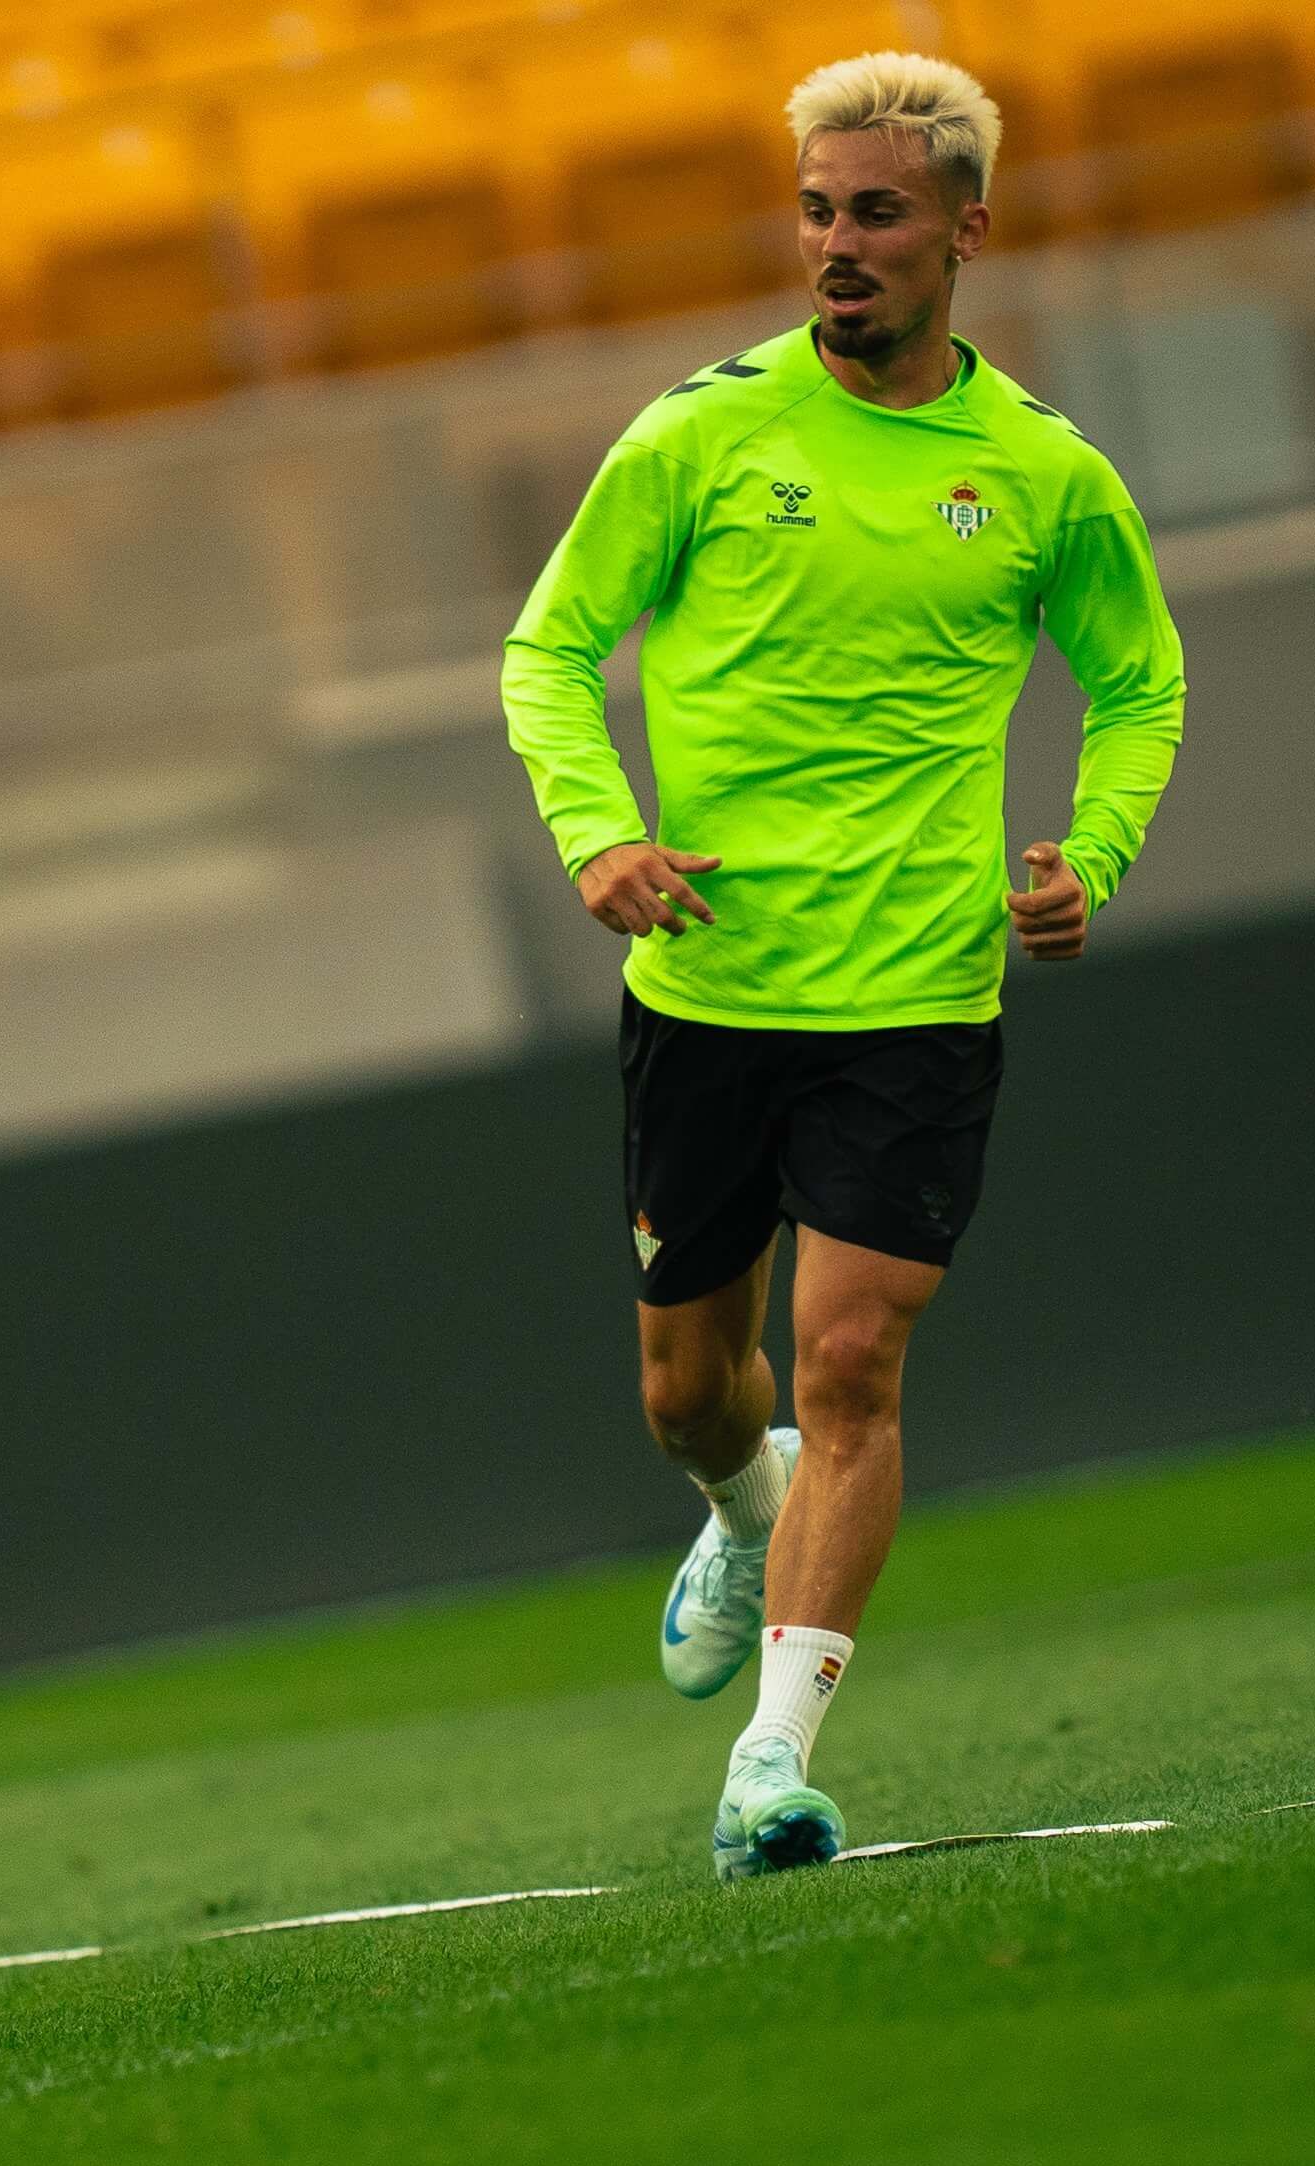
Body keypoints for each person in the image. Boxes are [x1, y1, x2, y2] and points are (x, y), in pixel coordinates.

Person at [499, 54, 1184, 1879]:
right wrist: (599, 839)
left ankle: (770, 1764)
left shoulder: (1042, 473)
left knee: (856, 1358)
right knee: (687, 1393)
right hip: (710, 988)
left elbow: (1139, 685)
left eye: (875, 212)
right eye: (816, 210)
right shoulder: (697, 438)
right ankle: (742, 1506)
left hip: (917, 999)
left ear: (968, 228)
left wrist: (1088, 853)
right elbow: (550, 653)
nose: (837, 247)